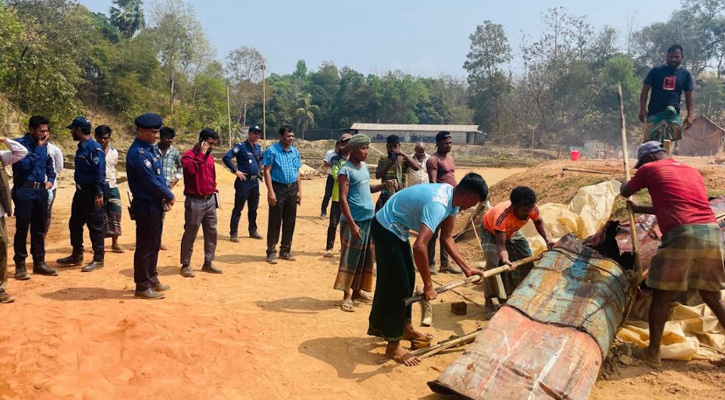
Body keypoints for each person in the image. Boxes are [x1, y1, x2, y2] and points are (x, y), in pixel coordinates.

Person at [621, 141, 725, 367]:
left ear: (648, 159)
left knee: (662, 297)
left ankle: (653, 353)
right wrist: (639, 209)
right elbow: (678, 204)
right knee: (713, 298)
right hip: (711, 234)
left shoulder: (649, 169)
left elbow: (625, 191)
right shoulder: (690, 170)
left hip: (682, 235)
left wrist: (624, 183)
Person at [368, 173, 488, 366]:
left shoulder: (454, 201)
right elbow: (420, 246)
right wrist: (429, 285)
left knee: (408, 279)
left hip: (398, 229)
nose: (471, 208)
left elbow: (447, 238)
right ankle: (393, 346)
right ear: (471, 197)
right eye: (474, 203)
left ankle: (404, 327)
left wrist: (467, 268)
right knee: (397, 285)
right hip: (385, 227)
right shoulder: (438, 204)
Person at [481, 186, 554, 313]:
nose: (528, 214)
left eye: (530, 210)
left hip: (512, 232)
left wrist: (548, 240)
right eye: (525, 211)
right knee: (493, 265)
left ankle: (521, 296)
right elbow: (501, 245)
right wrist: (505, 260)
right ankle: (489, 300)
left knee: (526, 259)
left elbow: (539, 222)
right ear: (514, 207)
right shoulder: (502, 216)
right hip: (491, 232)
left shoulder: (532, 208)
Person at [126, 113, 175, 299]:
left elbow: (159, 176)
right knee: (145, 246)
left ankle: (152, 278)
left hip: (155, 203)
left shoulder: (150, 150)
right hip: (145, 204)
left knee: (154, 244)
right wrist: (168, 195)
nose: (156, 135)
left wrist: (163, 198)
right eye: (152, 132)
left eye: (157, 132)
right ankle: (142, 285)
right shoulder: (137, 153)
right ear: (140, 131)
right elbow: (149, 181)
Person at [334, 134, 382, 311]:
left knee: (365, 257)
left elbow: (366, 188)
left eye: (367, 148)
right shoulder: (345, 171)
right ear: (352, 150)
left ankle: (357, 290)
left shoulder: (364, 169)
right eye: (363, 148)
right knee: (350, 257)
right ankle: (346, 295)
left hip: (368, 219)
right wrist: (352, 223)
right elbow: (343, 199)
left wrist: (384, 186)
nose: (366, 151)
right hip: (353, 221)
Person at [57, 117, 107, 273]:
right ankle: (77, 254)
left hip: (92, 192)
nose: (71, 132)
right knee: (75, 223)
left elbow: (99, 172)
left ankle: (98, 259)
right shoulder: (81, 147)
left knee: (95, 226)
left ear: (78, 130)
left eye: (72, 129)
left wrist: (99, 193)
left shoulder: (94, 148)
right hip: (80, 191)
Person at [12, 115, 57, 280]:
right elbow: (23, 166)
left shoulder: (44, 146)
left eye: (46, 131)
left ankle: (39, 262)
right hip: (24, 191)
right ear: (31, 130)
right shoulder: (19, 145)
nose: (44, 134)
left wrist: (50, 181)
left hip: (41, 192)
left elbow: (49, 166)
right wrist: (38, 148)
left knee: (39, 229)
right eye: (40, 131)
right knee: (22, 228)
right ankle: (20, 265)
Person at [179, 129, 221, 278]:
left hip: (209, 199)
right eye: (210, 144)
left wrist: (214, 191)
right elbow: (189, 170)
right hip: (194, 200)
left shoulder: (210, 158)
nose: (212, 147)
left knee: (211, 232)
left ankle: (208, 262)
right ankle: (185, 264)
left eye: (214, 144)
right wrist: (201, 155)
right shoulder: (188, 156)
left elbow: (212, 176)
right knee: (191, 232)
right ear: (202, 141)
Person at [639, 44, 695, 143]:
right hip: (654, 113)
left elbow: (689, 96)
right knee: (650, 144)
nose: (673, 59)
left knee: (668, 144)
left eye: (677, 57)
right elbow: (645, 90)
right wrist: (642, 109)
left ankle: (666, 158)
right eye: (671, 57)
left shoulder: (685, 75)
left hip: (672, 115)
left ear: (682, 57)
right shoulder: (656, 71)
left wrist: (690, 115)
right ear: (667, 57)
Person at [263, 125, 302, 264]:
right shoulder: (272, 150)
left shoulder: (295, 151)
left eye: (292, 136)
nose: (291, 138)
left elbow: (297, 171)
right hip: (278, 188)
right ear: (280, 136)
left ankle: (285, 250)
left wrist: (299, 191)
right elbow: (267, 171)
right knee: (275, 220)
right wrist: (271, 191)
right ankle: (271, 251)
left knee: (290, 220)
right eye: (288, 136)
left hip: (292, 188)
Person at [223, 125, 263, 243]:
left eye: (258, 134)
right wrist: (236, 171)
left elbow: (260, 159)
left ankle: (253, 230)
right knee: (238, 207)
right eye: (254, 133)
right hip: (243, 181)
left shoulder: (258, 148)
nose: (256, 136)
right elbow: (226, 157)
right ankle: (234, 232)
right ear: (249, 134)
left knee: (253, 208)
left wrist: (259, 168)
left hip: (255, 181)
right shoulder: (241, 147)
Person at [426, 131, 459, 274]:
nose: (448, 145)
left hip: (453, 200)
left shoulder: (450, 159)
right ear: (438, 143)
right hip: (440, 201)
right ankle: (430, 263)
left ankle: (445, 264)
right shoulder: (433, 160)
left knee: (447, 234)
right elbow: (433, 182)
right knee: (433, 234)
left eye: (450, 143)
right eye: (445, 143)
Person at [0, 137, 28, 303]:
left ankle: (1, 289)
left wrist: (4, 139)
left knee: (1, 249)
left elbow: (21, 152)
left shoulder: (1, 157)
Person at [95, 125, 124, 253]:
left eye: (105, 138)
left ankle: (115, 243)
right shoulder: (93, 151)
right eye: (100, 138)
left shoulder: (114, 153)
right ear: (96, 137)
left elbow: (113, 167)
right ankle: (98, 244)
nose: (103, 141)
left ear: (109, 138)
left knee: (115, 213)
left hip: (112, 185)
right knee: (98, 215)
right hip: (97, 186)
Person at [324, 133, 352, 257]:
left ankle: (344, 247)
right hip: (338, 197)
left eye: (349, 143)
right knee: (333, 223)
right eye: (344, 143)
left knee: (347, 224)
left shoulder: (355, 160)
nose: (346, 145)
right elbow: (336, 175)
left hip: (351, 197)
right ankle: (329, 247)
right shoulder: (336, 160)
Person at [375, 135, 419, 211]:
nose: (392, 150)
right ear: (387, 146)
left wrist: (403, 154)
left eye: (395, 147)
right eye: (390, 147)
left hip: (401, 194)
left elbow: (416, 167)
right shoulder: (383, 159)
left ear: (399, 146)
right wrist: (389, 164)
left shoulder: (404, 159)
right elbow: (378, 175)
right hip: (386, 195)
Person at [155, 126, 183, 251]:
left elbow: (181, 167)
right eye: (167, 138)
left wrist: (176, 178)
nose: (170, 140)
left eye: (172, 138)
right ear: (160, 137)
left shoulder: (174, 152)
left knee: (161, 215)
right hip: (152, 186)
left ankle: (157, 241)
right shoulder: (152, 150)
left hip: (167, 188)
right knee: (147, 213)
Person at [44, 136, 64, 234]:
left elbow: (59, 167)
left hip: (50, 186)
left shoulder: (55, 150)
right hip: (32, 184)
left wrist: (50, 178)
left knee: (47, 212)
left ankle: (42, 236)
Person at [320, 140, 341, 219]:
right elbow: (325, 164)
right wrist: (334, 164)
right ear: (336, 146)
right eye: (338, 148)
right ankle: (323, 212)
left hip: (341, 178)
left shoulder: (343, 154)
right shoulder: (330, 153)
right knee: (328, 195)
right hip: (332, 177)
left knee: (340, 196)